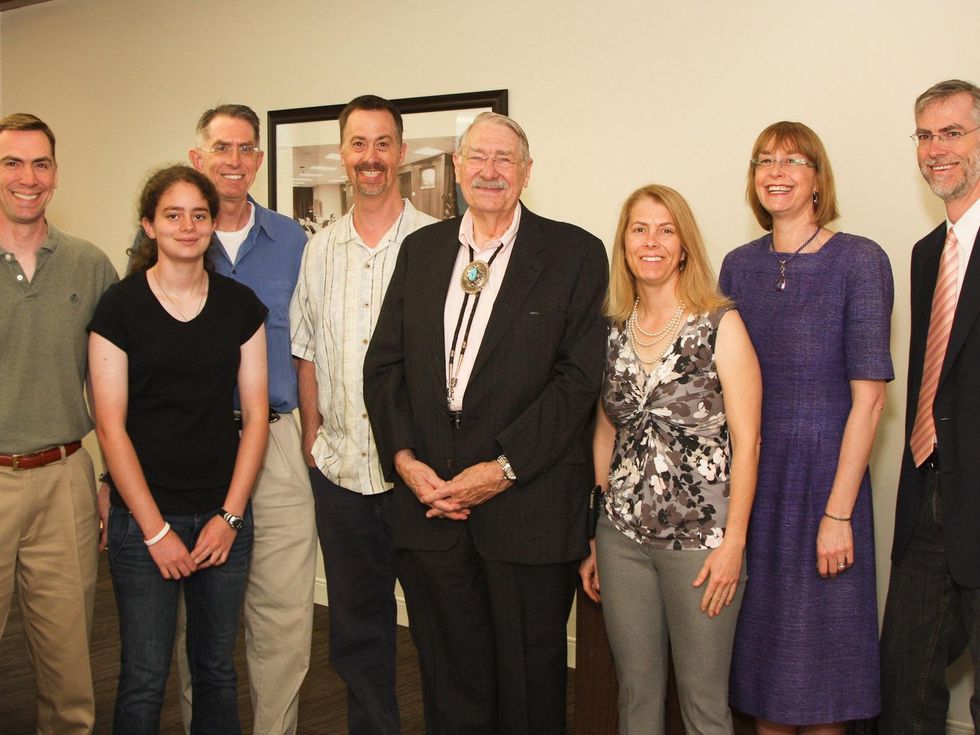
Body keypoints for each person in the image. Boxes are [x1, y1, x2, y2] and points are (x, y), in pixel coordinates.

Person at [363, 111, 608, 734]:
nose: (489, 171)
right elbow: (384, 366)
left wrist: (501, 468)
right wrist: (404, 460)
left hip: (527, 510)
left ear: (527, 172)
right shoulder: (421, 250)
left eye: (504, 159)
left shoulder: (574, 253)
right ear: (456, 168)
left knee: (529, 686)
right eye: (477, 157)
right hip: (431, 509)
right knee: (449, 681)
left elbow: (576, 382)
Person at [720, 122, 894, 733]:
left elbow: (869, 402)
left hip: (827, 482)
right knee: (765, 674)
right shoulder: (738, 268)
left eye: (794, 160)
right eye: (764, 159)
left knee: (825, 678)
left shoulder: (860, 261)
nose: (777, 171)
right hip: (755, 484)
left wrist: (839, 512)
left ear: (818, 178)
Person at [88, 165, 269, 734]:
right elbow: (110, 426)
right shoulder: (119, 308)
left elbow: (257, 416)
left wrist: (230, 518)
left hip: (222, 518)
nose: (187, 226)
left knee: (216, 670)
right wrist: (155, 532)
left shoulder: (241, 306)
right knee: (143, 676)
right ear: (149, 225)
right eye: (172, 215)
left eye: (199, 214)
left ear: (214, 223)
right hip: (143, 523)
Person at [578, 184, 761, 734]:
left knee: (704, 705)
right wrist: (598, 532)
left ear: (684, 245)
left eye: (666, 229)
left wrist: (734, 544)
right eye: (639, 229)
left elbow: (748, 441)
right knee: (635, 696)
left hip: (702, 547)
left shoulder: (719, 324)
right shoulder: (611, 329)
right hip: (622, 542)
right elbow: (605, 431)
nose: (651, 241)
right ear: (624, 243)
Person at [290, 94, 437, 734]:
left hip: (420, 477)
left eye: (383, 144)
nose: (371, 158)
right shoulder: (320, 249)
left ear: (400, 153)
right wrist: (312, 435)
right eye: (359, 144)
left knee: (438, 626)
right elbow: (307, 348)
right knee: (356, 629)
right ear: (343, 154)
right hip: (342, 472)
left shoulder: (437, 244)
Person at [185, 104, 316, 735]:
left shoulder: (294, 242)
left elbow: (311, 345)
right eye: (221, 148)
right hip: (197, 445)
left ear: (258, 162)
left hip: (281, 441)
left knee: (284, 612)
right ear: (198, 158)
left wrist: (314, 432)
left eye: (245, 150)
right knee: (201, 614)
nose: (233, 162)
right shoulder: (173, 235)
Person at [0, 113, 117, 734]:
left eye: (40, 164)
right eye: (12, 163)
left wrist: (107, 479)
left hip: (66, 475)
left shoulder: (87, 264)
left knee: (69, 670)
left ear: (55, 174)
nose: (28, 177)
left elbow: (110, 387)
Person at [879, 79, 980, 733]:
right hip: (929, 499)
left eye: (953, 132)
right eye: (925, 134)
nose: (936, 149)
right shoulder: (925, 255)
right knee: (904, 682)